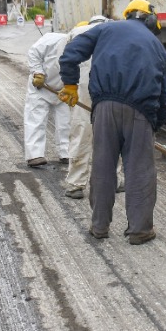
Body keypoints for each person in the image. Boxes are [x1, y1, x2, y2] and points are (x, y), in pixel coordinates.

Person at [58, 0, 166, 245]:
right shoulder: (157, 47)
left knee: (102, 166)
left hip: (104, 108)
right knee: (139, 170)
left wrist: (70, 84)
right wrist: (156, 122)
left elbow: (69, 55)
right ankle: (140, 230)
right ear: (151, 20)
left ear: (129, 14)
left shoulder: (104, 29)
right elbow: (164, 95)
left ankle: (99, 226)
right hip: (141, 111)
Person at [62, 14, 109, 199]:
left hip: (82, 90)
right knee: (113, 135)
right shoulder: (113, 31)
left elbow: (65, 59)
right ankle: (115, 180)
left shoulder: (76, 32)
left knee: (81, 134)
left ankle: (75, 184)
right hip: (109, 88)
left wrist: (68, 86)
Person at [24, 29, 70, 167]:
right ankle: (34, 155)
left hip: (64, 89)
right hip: (41, 86)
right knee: (35, 119)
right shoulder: (52, 39)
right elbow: (33, 53)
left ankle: (66, 153)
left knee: (67, 122)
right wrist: (37, 72)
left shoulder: (87, 50)